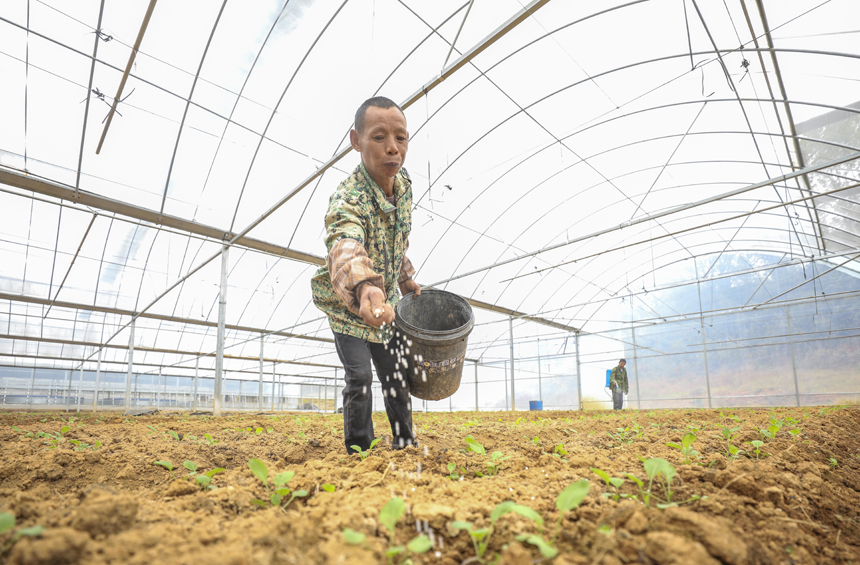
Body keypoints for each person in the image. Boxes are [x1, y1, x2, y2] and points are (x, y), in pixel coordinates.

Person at [311, 96, 422, 455]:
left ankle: (405, 442)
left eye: (400, 138)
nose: (393, 148)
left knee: (395, 375)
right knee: (359, 377)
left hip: (384, 302)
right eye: (379, 138)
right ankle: (359, 448)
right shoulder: (348, 198)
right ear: (356, 141)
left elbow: (397, 237)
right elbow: (345, 243)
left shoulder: (402, 186)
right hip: (351, 306)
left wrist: (404, 278)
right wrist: (364, 288)